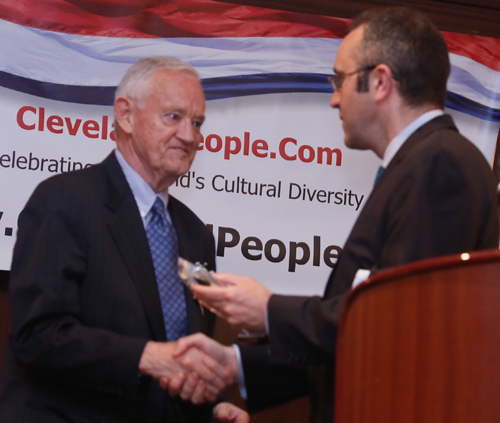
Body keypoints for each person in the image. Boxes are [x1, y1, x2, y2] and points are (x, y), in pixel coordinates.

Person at [171, 7, 500, 423]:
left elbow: (394, 327)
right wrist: (234, 363)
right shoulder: (421, 164)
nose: (334, 97)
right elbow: (359, 335)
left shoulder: (438, 166)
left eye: (340, 79)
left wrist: (269, 309)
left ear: (379, 81)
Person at [0, 57, 247, 423]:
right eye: (174, 117)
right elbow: (39, 336)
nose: (190, 135)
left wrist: (212, 407)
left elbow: (187, 355)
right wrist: (147, 356)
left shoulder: (196, 236)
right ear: (126, 116)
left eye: (197, 123)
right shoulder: (65, 200)